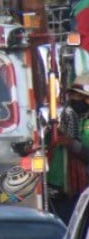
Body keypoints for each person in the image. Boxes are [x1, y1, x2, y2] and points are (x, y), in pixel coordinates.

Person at [50, 75, 89, 222]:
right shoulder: (61, 118)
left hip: (81, 190)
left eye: (81, 96)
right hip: (56, 188)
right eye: (73, 94)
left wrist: (72, 144)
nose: (75, 99)